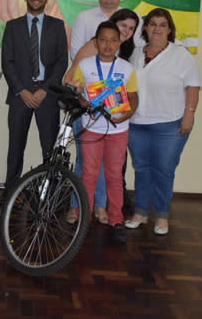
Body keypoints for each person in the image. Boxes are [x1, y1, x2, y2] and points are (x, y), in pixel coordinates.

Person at [125, 8, 201, 235]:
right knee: (141, 169)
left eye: (162, 24)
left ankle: (161, 216)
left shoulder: (181, 55)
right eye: (152, 24)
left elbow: (193, 87)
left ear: (170, 29)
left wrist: (189, 115)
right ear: (145, 28)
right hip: (137, 124)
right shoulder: (136, 53)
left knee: (164, 170)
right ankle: (140, 212)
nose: (157, 28)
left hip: (170, 124)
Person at [66, 21, 139, 243]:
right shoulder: (85, 65)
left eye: (113, 40)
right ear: (96, 43)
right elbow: (78, 93)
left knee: (114, 175)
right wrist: (83, 102)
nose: (108, 44)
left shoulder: (127, 68)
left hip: (118, 129)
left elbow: (133, 97)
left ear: (119, 42)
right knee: (89, 173)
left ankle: (116, 218)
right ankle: (85, 216)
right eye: (103, 40)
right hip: (91, 128)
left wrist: (128, 113)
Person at [0, 0, 68, 205]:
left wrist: (44, 90)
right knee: (15, 147)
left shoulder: (57, 26)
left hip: (47, 95)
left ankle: (50, 194)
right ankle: (11, 192)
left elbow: (61, 63)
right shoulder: (13, 26)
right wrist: (22, 91)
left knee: (49, 147)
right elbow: (7, 63)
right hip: (21, 96)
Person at [70, 0, 143, 60]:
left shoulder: (134, 17)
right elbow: (75, 54)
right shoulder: (83, 18)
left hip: (124, 69)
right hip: (90, 70)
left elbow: (139, 49)